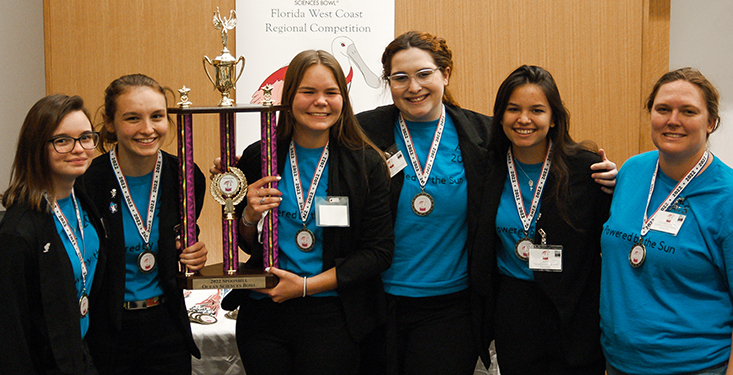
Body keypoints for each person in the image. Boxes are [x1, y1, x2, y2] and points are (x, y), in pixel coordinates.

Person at [356, 31, 617, 374]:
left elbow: (547, 162)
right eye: (400, 77)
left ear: (445, 74)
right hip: (377, 300)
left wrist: (612, 179)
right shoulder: (363, 131)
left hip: (452, 306)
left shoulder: (482, 137)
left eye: (424, 74)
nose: (413, 86)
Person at [219, 50, 393, 375]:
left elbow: (378, 252)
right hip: (263, 315)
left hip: (332, 315)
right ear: (289, 96)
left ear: (344, 97)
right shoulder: (260, 156)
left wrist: (303, 286)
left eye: (331, 92)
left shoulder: (366, 163)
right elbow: (243, 243)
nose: (320, 102)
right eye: (308, 92)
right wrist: (248, 217)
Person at [600, 67, 733, 375]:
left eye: (688, 111)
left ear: (711, 122)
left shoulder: (726, 197)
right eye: (663, 109)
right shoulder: (632, 171)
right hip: (619, 361)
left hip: (694, 366)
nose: (673, 120)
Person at [481, 65, 611, 374]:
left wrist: (619, 185)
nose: (524, 119)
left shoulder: (587, 170)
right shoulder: (487, 168)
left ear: (554, 118)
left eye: (536, 110)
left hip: (575, 311)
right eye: (514, 109)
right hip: (514, 310)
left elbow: (609, 241)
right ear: (500, 116)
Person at [81, 74, 208, 374]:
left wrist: (194, 255)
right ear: (110, 123)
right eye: (132, 118)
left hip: (166, 328)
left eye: (157, 116)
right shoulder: (89, 182)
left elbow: (182, 238)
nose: (147, 129)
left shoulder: (186, 177)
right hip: (108, 331)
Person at [0, 94, 106, 374]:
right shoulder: (17, 230)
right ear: (36, 148)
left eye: (86, 137)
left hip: (81, 353)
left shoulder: (81, 200)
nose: (79, 148)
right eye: (62, 140)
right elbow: (10, 334)